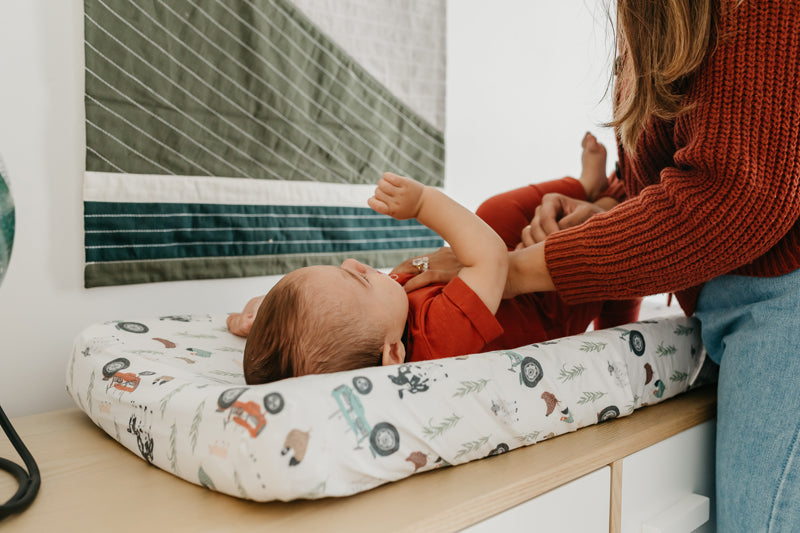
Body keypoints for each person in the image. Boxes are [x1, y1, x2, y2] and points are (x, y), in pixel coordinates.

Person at [394, 2, 800, 530]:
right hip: (726, 289)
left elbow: (737, 195)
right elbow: (685, 165)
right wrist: (607, 206)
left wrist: (503, 270)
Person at [230, 134, 640, 383]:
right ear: (393, 355)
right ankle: (617, 201)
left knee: (494, 213)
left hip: (508, 284)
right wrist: (425, 202)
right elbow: (491, 261)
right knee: (581, 251)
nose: (355, 264)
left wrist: (264, 314)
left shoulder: (380, 319)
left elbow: (307, 330)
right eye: (358, 280)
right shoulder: (435, 341)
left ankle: (587, 186)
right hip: (549, 304)